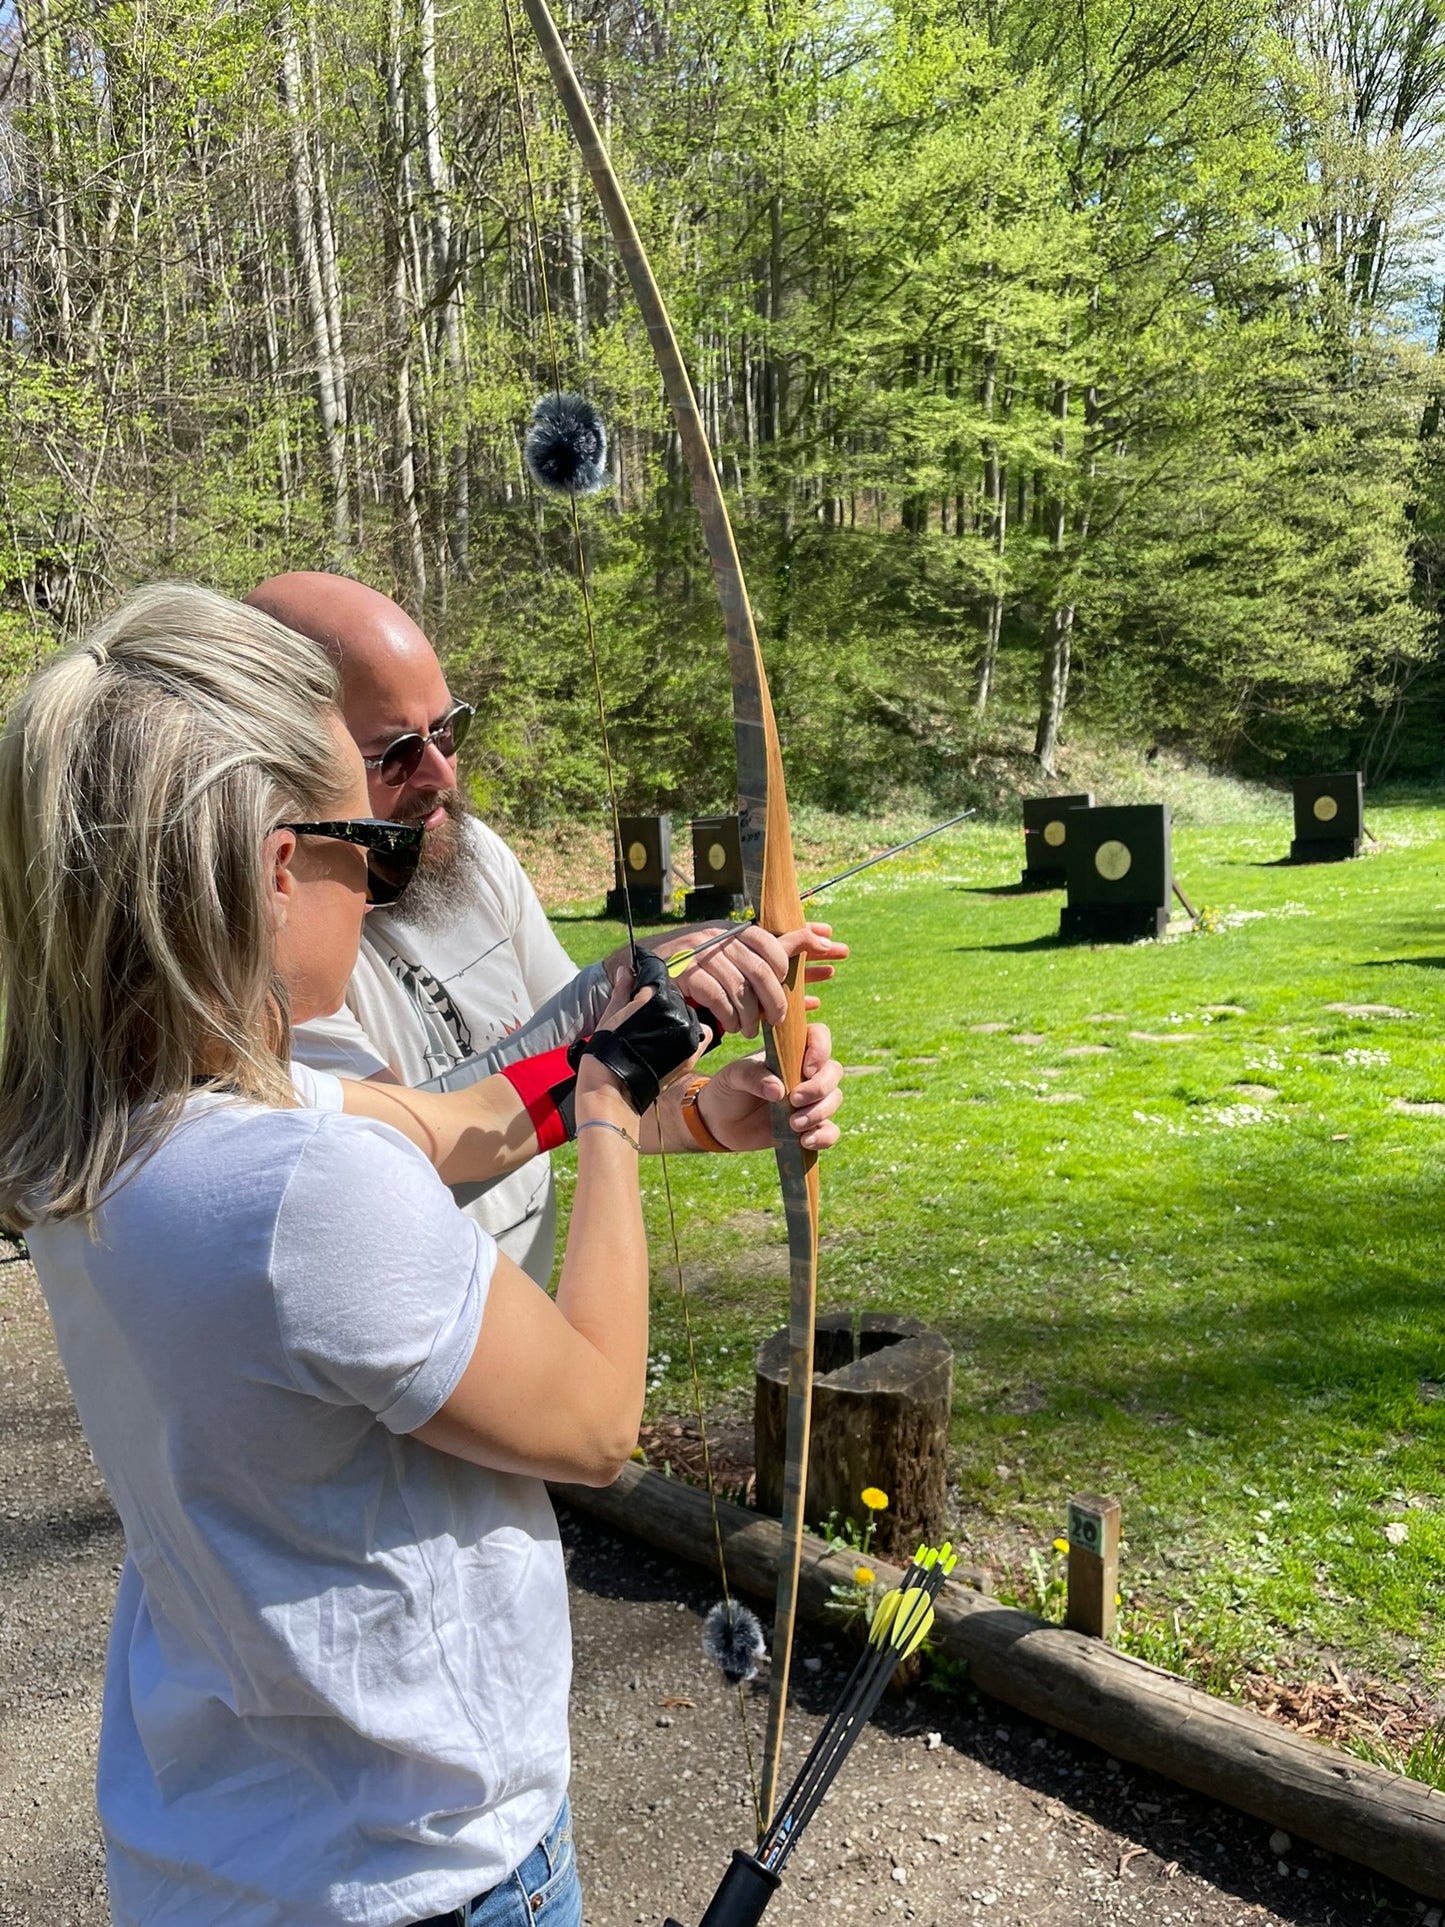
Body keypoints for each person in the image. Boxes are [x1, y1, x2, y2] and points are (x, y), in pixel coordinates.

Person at [0, 586, 843, 1927]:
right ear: (278, 864)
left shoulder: (109, 1106)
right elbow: (593, 1420)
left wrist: (649, 1066)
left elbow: (453, 1124)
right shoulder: (296, 1183)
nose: (381, 865)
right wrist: (615, 1127)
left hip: (223, 1841)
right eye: (357, 839)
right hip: (415, 1865)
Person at [245, 572, 848, 1283]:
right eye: (399, 752)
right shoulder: (275, 942)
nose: (441, 771)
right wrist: (605, 994)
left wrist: (702, 1113)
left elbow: (581, 1087)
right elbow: (389, 1154)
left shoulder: (469, 856)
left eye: (449, 729)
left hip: (512, 1328)